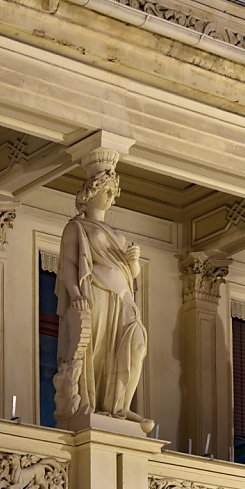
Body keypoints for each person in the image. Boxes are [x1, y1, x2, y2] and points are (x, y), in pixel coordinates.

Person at [54, 169, 153, 433]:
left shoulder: (115, 233)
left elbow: (129, 274)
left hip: (123, 299)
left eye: (114, 192)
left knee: (137, 347)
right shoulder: (76, 227)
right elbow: (69, 265)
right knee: (96, 354)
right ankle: (98, 406)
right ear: (91, 191)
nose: (112, 197)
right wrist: (76, 297)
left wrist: (133, 263)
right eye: (107, 191)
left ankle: (122, 406)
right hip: (95, 294)